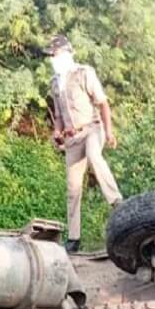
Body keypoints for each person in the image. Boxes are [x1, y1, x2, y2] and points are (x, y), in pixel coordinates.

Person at [45, 35, 123, 253]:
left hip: (92, 128)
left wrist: (109, 132)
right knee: (72, 188)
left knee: (94, 156)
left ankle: (117, 201)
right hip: (72, 138)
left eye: (55, 54)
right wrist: (57, 132)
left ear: (67, 53)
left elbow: (103, 103)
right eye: (50, 55)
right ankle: (73, 239)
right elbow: (59, 116)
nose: (52, 58)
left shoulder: (84, 73)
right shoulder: (54, 82)